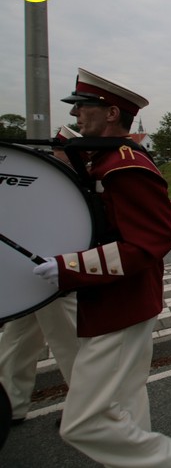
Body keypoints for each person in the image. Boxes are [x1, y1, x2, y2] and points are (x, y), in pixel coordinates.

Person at [31, 68, 171, 466]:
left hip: (122, 302)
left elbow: (151, 241)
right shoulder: (105, 161)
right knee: (126, 401)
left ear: (111, 113)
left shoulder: (125, 166)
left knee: (81, 422)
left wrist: (70, 267)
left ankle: (170, 460)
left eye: (83, 106)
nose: (76, 114)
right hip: (114, 300)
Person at [0, 127, 80, 428]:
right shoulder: (48, 177)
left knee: (70, 343)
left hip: (60, 271)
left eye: (60, 150)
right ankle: (11, 403)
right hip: (28, 272)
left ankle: (87, 410)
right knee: (17, 341)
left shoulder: (72, 181)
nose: (55, 155)